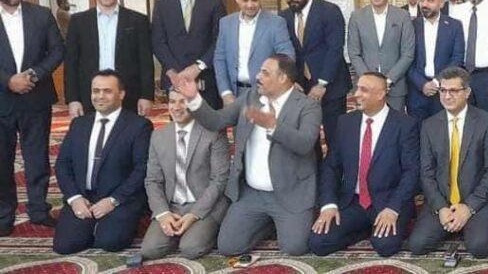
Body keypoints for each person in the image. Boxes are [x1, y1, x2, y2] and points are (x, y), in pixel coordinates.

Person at [175, 54, 321, 256]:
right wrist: (193, 98)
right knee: (229, 247)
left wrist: (274, 126)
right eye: (259, 71)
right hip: (251, 193)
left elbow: (305, 144)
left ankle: (280, 222)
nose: (258, 76)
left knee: (294, 247)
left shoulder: (307, 106)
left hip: (290, 192)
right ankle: (266, 224)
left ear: (283, 78)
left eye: (265, 73)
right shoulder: (251, 97)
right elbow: (217, 121)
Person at [310, 72, 419, 257]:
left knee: (385, 246)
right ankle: (364, 230)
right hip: (353, 200)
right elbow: (331, 167)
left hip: (388, 201)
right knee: (319, 243)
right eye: (357, 88)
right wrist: (328, 204)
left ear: (381, 94)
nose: (356, 94)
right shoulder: (345, 122)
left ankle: (373, 230)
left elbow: (412, 172)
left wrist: (393, 209)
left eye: (364, 90)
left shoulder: (405, 124)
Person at [52, 70, 153, 254]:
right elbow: (62, 164)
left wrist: (113, 201)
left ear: (121, 94)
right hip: (84, 197)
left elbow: (142, 169)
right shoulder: (79, 124)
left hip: (119, 198)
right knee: (65, 246)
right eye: (95, 91)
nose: (100, 96)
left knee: (109, 242)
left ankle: (116, 223)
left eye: (107, 91)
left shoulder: (139, 126)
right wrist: (74, 199)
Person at [408, 66, 488, 257]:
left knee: (479, 247)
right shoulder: (429, 125)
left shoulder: (487, 122)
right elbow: (426, 173)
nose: (447, 96)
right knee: (417, 245)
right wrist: (441, 208)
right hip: (443, 199)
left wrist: (468, 208)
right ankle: (453, 223)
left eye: (453, 91)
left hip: (478, 199)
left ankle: (468, 224)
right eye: (443, 90)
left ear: (467, 92)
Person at [0, 0, 64, 234]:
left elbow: (57, 50)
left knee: (37, 157)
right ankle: (4, 215)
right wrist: (8, 81)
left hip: (35, 97)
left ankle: (39, 210)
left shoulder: (41, 14)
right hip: (2, 99)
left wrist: (33, 75)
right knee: (2, 160)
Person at [140, 90, 229, 260]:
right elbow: (153, 180)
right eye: (172, 101)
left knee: (191, 248)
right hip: (172, 206)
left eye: (183, 101)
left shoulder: (213, 133)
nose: (176, 107)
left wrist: (194, 215)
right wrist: (163, 213)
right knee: (150, 250)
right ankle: (181, 233)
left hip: (205, 205)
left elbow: (219, 180)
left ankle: (203, 231)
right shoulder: (158, 135)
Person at [64, 0, 154, 117]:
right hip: (89, 95)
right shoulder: (78, 22)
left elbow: (145, 61)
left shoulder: (138, 21)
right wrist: (73, 99)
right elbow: (71, 63)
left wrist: (146, 95)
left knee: (127, 131)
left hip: (129, 94)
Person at [279, 0, 351, 145]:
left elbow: (335, 49)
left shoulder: (329, 11)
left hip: (331, 86)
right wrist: (291, 80)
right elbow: (286, 52)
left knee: (335, 138)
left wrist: (322, 83)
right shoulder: (284, 17)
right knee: (307, 140)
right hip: (300, 87)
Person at [151, 0, 227, 109]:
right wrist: (175, 71)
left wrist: (198, 67)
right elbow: (158, 41)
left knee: (210, 122)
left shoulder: (214, 2)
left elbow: (220, 39)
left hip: (206, 79)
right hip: (174, 79)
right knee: (180, 123)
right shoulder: (162, 4)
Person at [213, 0, 294, 104]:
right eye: (245, 0)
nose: (250, 5)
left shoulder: (276, 23)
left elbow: (287, 57)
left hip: (267, 94)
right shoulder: (226, 23)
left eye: (254, 0)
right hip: (234, 94)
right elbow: (219, 59)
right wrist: (225, 93)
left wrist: (275, 87)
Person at [347, 0, 415, 110]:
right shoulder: (357, 17)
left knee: (395, 123)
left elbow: (408, 53)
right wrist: (370, 81)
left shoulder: (402, 16)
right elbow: (354, 53)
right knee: (367, 123)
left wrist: (388, 81)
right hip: (365, 88)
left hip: (395, 88)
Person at [407, 0, 464, 120]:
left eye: (430, 0)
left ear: (441, 3)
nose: (424, 4)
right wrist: (422, 84)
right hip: (417, 92)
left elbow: (457, 58)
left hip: (445, 91)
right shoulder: (411, 26)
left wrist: (437, 82)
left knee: (442, 130)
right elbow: (406, 59)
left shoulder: (454, 26)